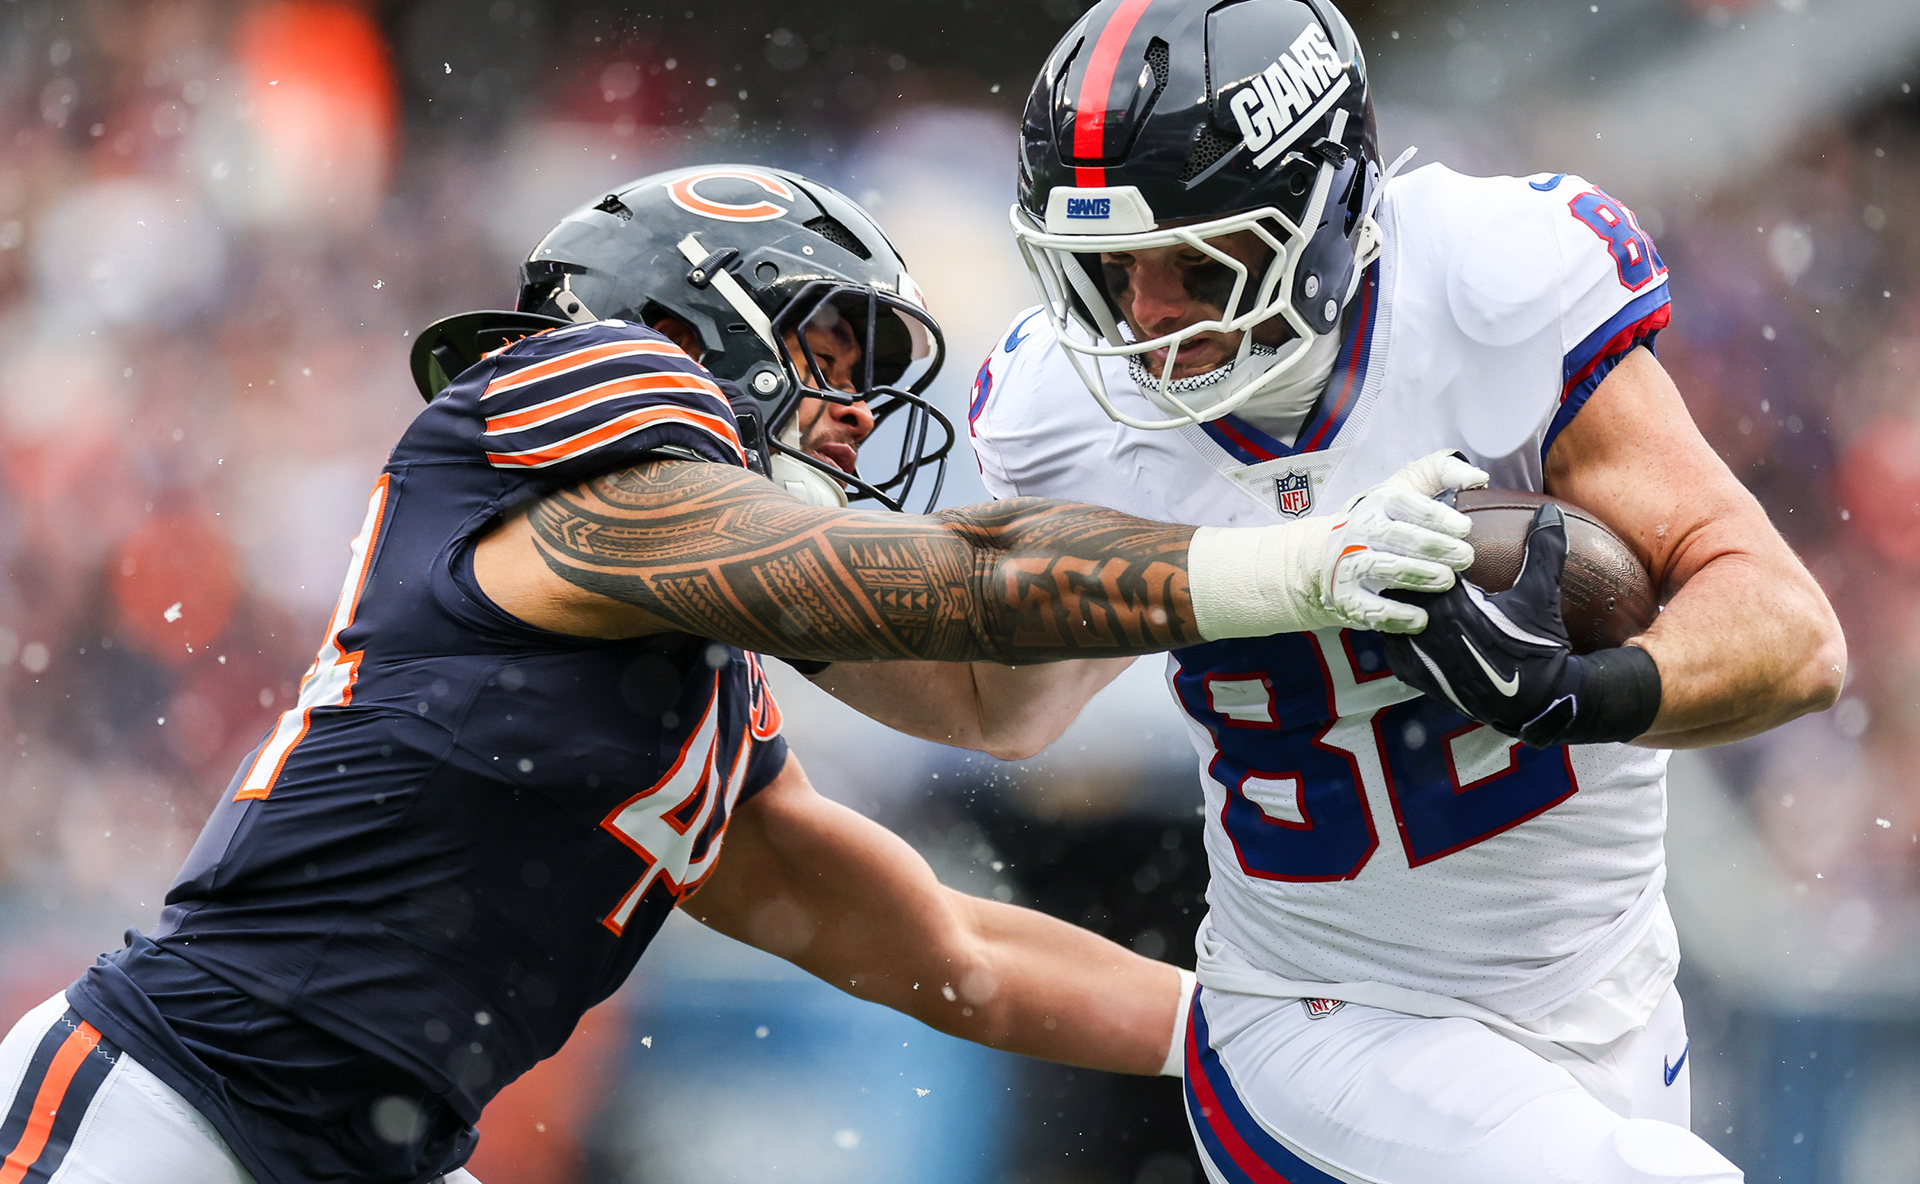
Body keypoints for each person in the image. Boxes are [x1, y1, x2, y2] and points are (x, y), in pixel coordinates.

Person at [0, 164, 1475, 1184]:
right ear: (698, 322)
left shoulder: (689, 703)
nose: (855, 406)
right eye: (833, 344)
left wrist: (1278, 1038)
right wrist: (1276, 564)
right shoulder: (573, 414)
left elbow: (959, 956)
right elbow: (920, 583)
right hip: (169, 1111)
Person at [924, 0, 1844, 1184]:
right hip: (1320, 1021)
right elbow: (1004, 705)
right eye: (1106, 274)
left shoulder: (1492, 285)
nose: (1145, 320)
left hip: (1610, 994)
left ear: (1328, 214)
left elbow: (1791, 634)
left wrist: (1593, 688)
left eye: (1197, 266)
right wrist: (740, 602)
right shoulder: (1063, 411)